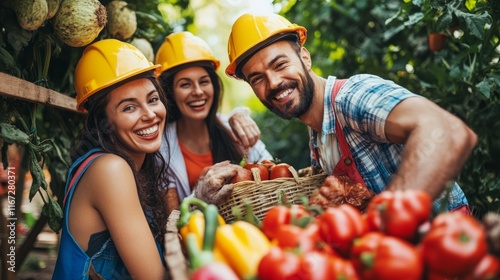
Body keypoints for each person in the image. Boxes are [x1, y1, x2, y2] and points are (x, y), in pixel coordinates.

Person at [223, 13, 478, 213]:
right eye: (257, 79)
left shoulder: (351, 97)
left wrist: (391, 215)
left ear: (305, 57)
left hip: (447, 245)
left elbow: (446, 131)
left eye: (280, 64)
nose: (274, 82)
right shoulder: (318, 136)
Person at [154, 31, 273, 213]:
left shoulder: (232, 128)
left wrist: (240, 117)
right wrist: (198, 198)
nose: (198, 92)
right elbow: (171, 220)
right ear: (169, 92)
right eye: (185, 84)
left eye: (204, 82)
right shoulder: (162, 148)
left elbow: (274, 172)